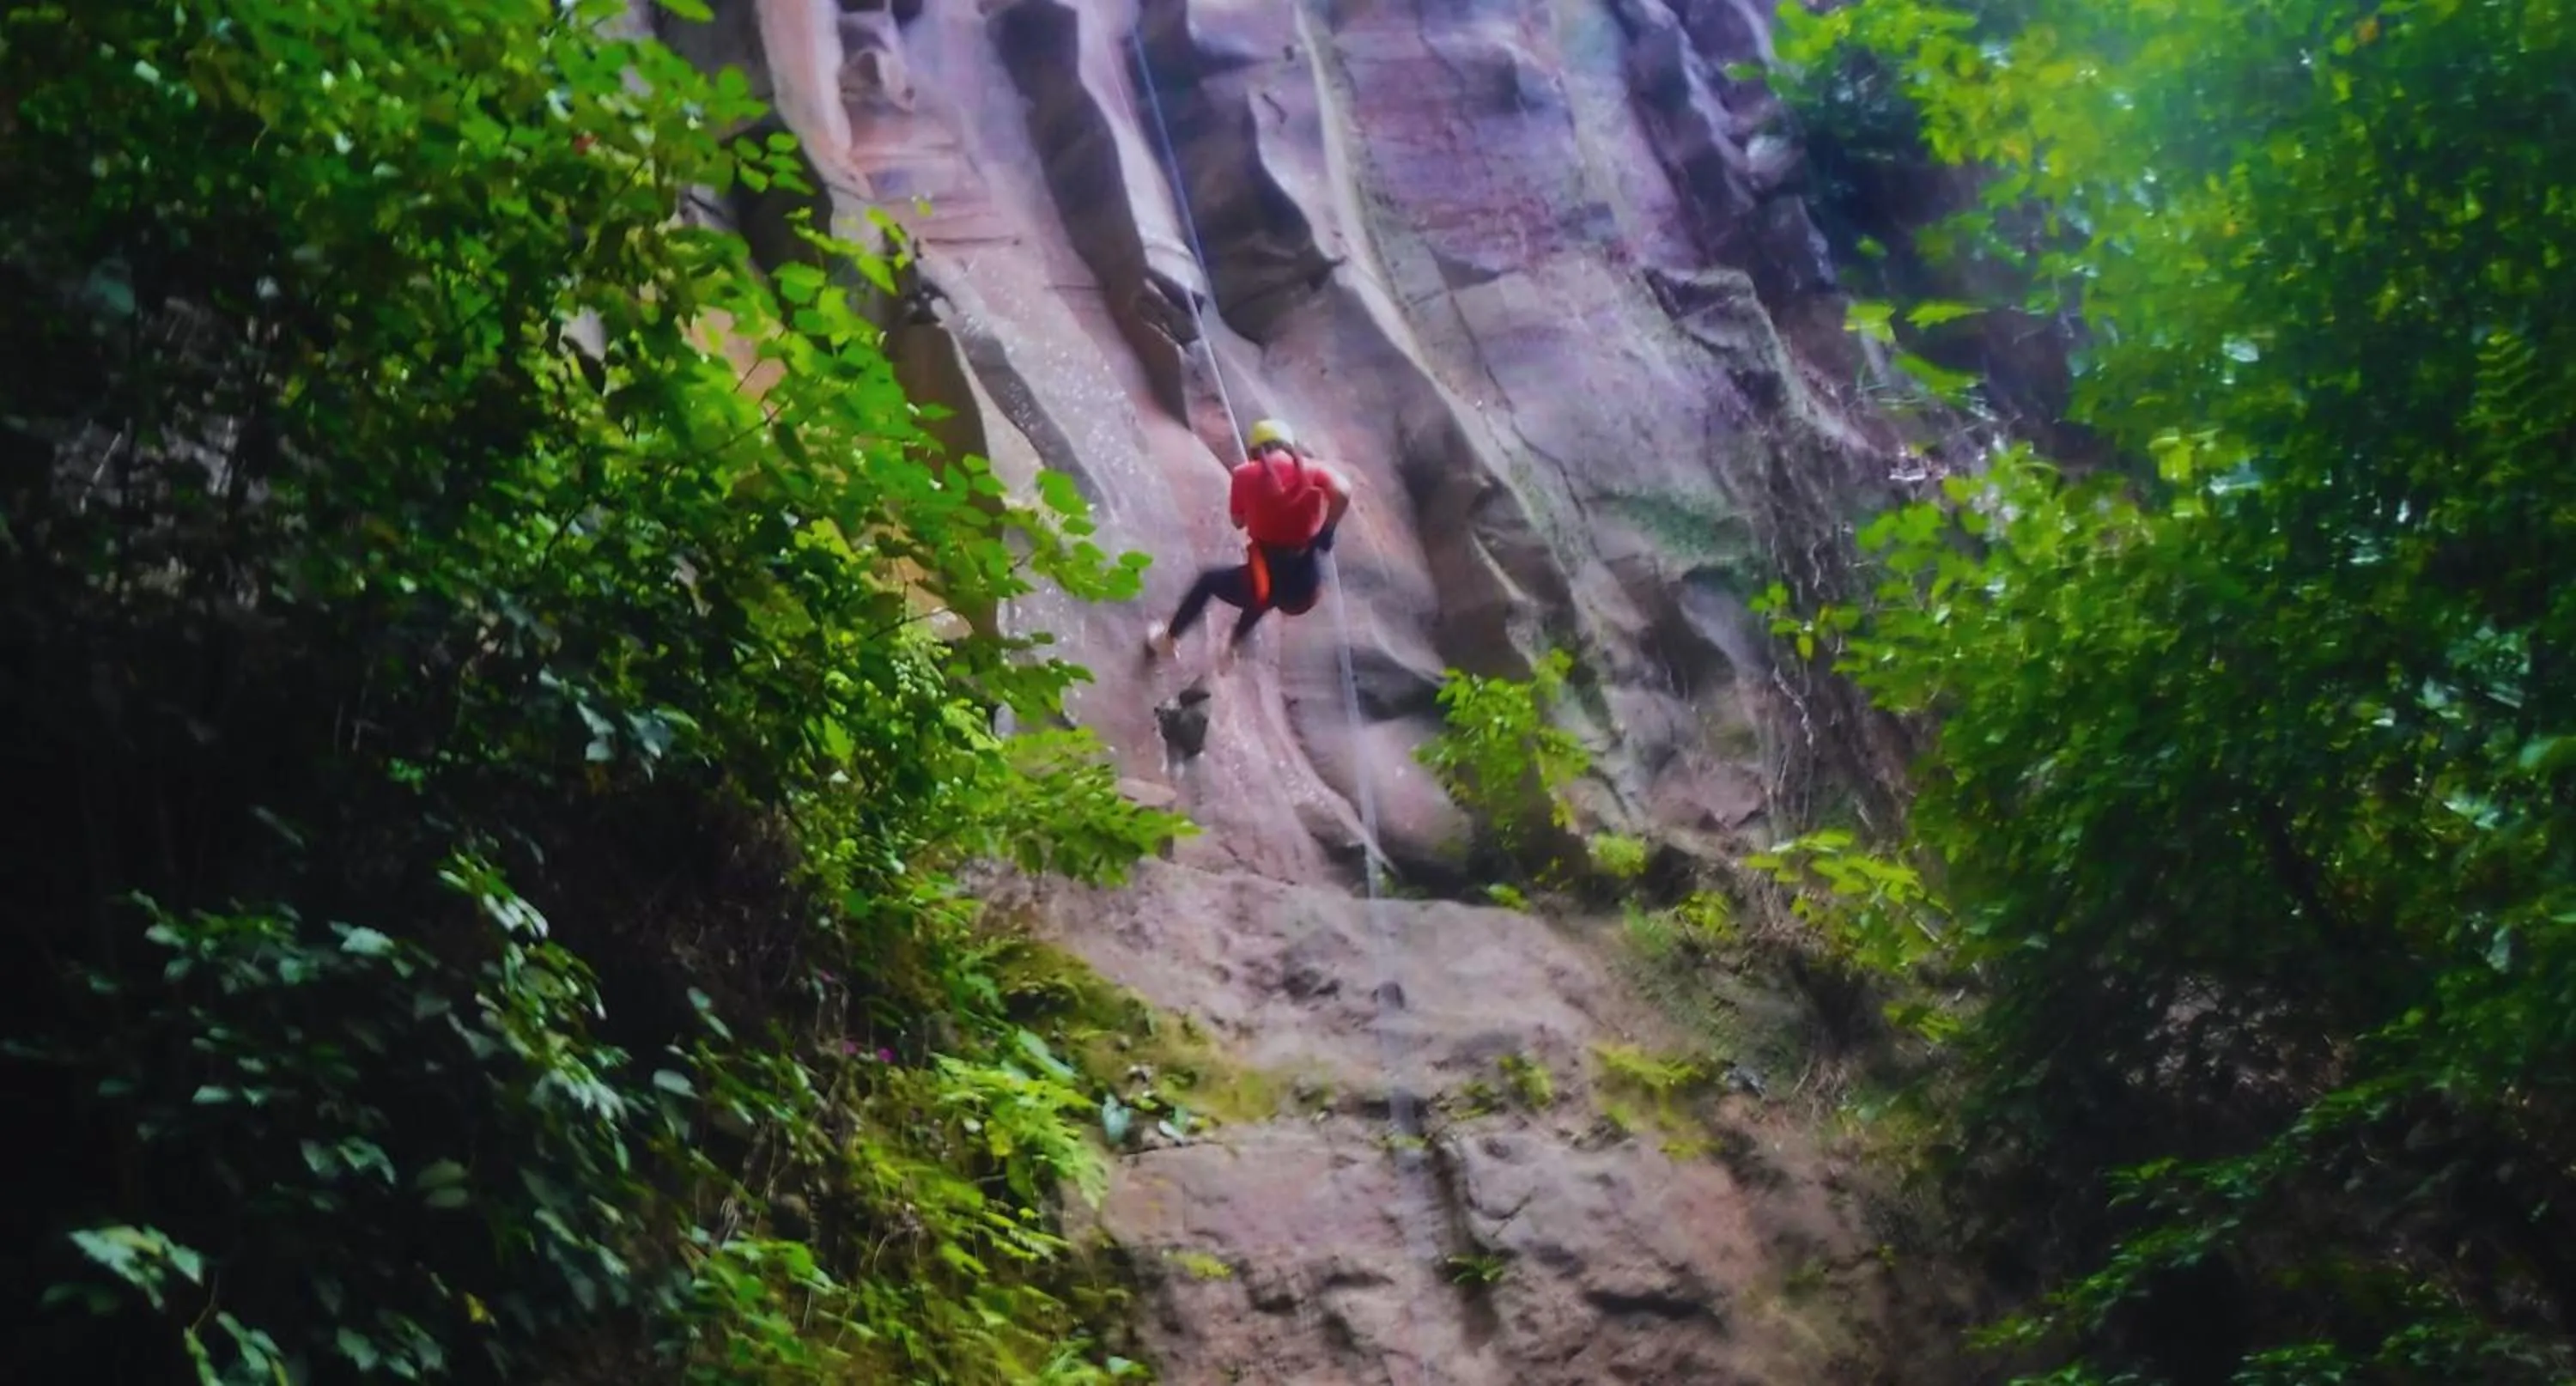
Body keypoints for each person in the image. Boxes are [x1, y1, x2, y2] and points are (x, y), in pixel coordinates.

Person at [1145, 418, 1353, 670]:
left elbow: (1237, 521)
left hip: (1268, 571)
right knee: (1265, 596)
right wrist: (1327, 530)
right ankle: (1231, 646)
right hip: (1306, 581)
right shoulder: (1313, 470)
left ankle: (1168, 640)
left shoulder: (1245, 474)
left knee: (1210, 582)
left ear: (1256, 449)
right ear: (1289, 447)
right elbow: (1343, 490)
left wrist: (1259, 507)